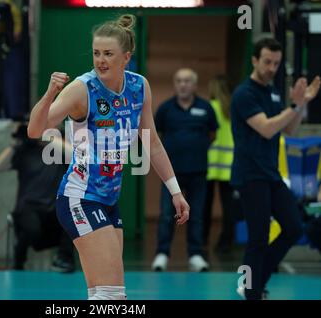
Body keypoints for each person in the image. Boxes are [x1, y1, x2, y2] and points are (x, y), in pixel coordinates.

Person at [28, 14, 190, 300]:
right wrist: (51, 93)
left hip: (109, 202)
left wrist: (174, 190)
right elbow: (35, 129)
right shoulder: (82, 89)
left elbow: (151, 144)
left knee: (102, 294)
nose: (100, 60)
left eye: (108, 54)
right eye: (96, 53)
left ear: (126, 57)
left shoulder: (139, 86)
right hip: (80, 198)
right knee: (112, 295)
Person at [231, 38, 320, 300]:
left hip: (270, 174)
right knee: (258, 238)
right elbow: (267, 128)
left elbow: (289, 130)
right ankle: (251, 290)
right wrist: (293, 106)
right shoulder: (244, 94)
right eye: (267, 62)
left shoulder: (273, 92)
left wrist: (301, 102)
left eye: (276, 63)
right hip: (250, 175)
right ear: (255, 60)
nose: (271, 67)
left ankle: (254, 282)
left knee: (294, 227)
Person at [151, 68, 218, 272]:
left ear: (195, 85)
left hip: (198, 172)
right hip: (172, 175)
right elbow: (157, 136)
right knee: (166, 216)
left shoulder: (206, 108)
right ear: (175, 84)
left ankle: (196, 255)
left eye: (187, 81)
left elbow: (212, 134)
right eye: (179, 80)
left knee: (196, 215)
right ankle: (162, 254)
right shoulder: (165, 109)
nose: (183, 84)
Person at [0, 118, 75, 272]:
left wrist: (46, 137)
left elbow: (76, 155)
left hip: (54, 208)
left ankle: (65, 260)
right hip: (29, 208)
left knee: (72, 214)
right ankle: (19, 260)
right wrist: (16, 143)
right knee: (30, 227)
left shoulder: (60, 150)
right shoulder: (24, 151)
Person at [203, 75, 237, 253]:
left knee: (205, 205)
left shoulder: (210, 107)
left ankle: (202, 239)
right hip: (229, 163)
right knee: (228, 207)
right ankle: (226, 241)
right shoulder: (233, 109)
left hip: (210, 162)